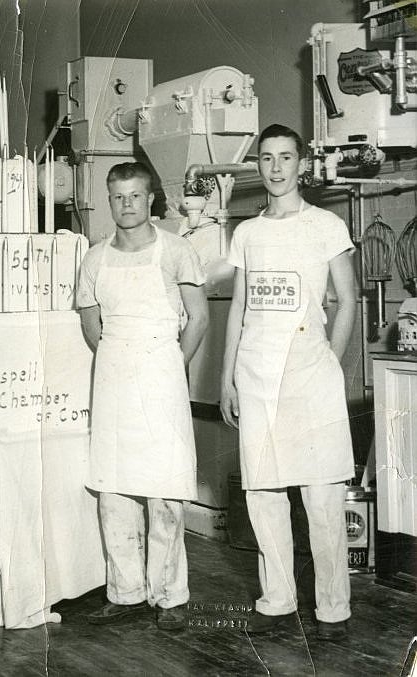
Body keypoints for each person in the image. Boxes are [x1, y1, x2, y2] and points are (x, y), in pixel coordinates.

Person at [220, 124, 356, 641]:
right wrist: (228, 378)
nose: (276, 168)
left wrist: (330, 362)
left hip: (309, 373)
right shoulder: (247, 234)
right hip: (255, 374)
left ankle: (333, 609)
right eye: (267, 158)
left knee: (321, 496)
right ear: (258, 165)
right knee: (264, 492)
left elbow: (347, 299)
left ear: (302, 164)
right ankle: (276, 599)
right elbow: (238, 308)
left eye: (285, 157)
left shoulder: (324, 225)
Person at [77, 162, 209, 630]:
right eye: (118, 197)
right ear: (109, 200)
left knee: (165, 489)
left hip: (162, 371)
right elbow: (92, 327)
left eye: (135, 196)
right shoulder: (93, 258)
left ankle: (170, 597)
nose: (127, 204)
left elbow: (198, 319)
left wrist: (172, 361)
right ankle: (126, 592)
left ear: (151, 198)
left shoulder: (177, 250)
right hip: (113, 372)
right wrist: (121, 355)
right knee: (113, 488)